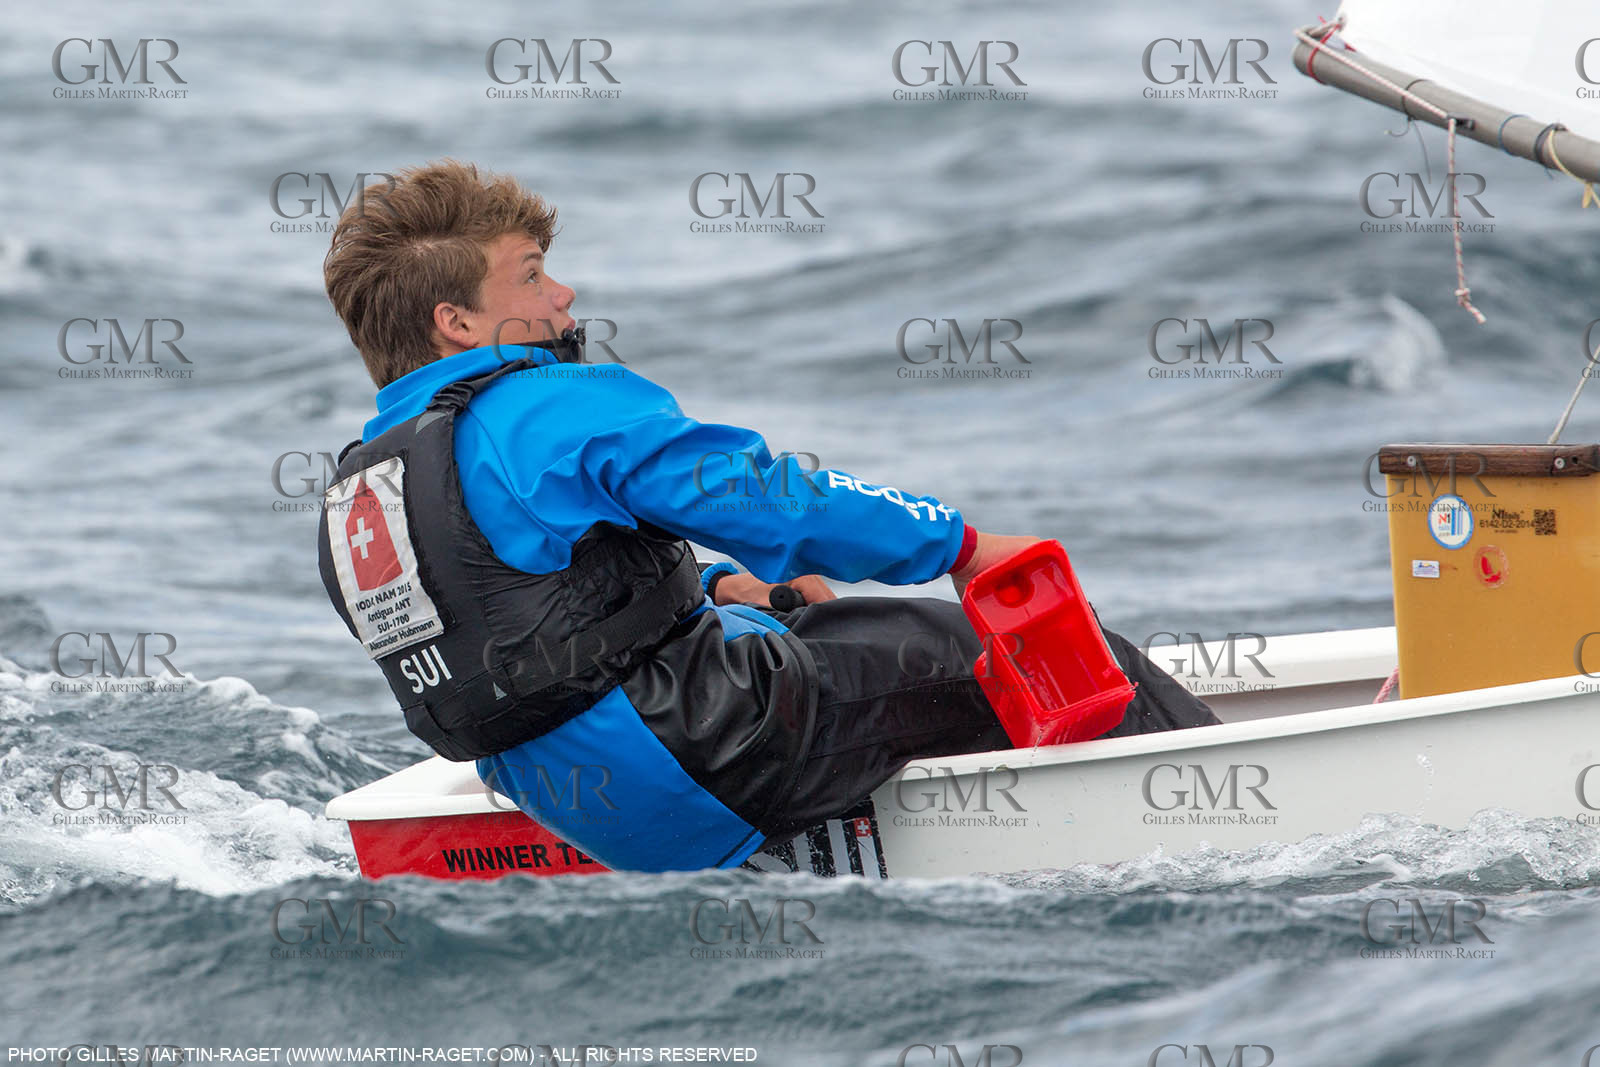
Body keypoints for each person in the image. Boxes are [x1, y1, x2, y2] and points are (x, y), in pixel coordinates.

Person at [315, 160, 1218, 873]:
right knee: (1017, 652)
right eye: (533, 276)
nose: (565, 298)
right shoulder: (544, 407)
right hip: (707, 747)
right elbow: (770, 499)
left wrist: (720, 584)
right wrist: (963, 544)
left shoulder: (366, 488)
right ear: (457, 322)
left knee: (793, 616)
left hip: (581, 799)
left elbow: (523, 614)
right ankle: (1231, 812)